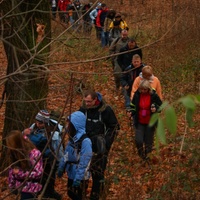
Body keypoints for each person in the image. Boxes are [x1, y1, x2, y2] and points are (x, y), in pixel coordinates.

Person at [79, 90, 119, 200]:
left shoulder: (106, 110)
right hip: (85, 145)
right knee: (82, 172)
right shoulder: (83, 110)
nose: (87, 104)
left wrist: (106, 142)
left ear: (95, 100)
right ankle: (80, 194)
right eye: (85, 101)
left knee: (98, 172)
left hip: (100, 147)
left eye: (89, 102)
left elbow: (114, 127)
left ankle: (96, 195)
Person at [23, 110, 62, 200]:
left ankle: (49, 193)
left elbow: (58, 148)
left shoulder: (53, 132)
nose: (38, 124)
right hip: (35, 159)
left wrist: (59, 161)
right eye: (37, 122)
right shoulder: (33, 127)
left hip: (48, 159)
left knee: (48, 178)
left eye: (41, 123)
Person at [57, 111, 93, 200]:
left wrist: (78, 178)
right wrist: (61, 167)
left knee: (78, 196)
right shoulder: (72, 139)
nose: (67, 126)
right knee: (70, 193)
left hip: (81, 176)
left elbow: (85, 161)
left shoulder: (85, 141)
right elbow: (66, 154)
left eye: (69, 123)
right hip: (71, 172)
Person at [129, 80, 162, 160]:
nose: (143, 91)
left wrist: (156, 109)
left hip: (150, 122)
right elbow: (133, 106)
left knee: (148, 142)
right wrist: (131, 112)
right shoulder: (137, 95)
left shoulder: (153, 95)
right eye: (141, 89)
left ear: (148, 89)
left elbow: (161, 106)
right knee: (138, 140)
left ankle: (147, 158)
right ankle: (141, 155)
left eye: (145, 89)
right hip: (140, 121)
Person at [6, 130, 43, 200]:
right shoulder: (14, 152)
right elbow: (12, 170)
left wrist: (20, 173)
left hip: (31, 188)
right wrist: (11, 185)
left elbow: (38, 173)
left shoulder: (34, 153)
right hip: (20, 188)